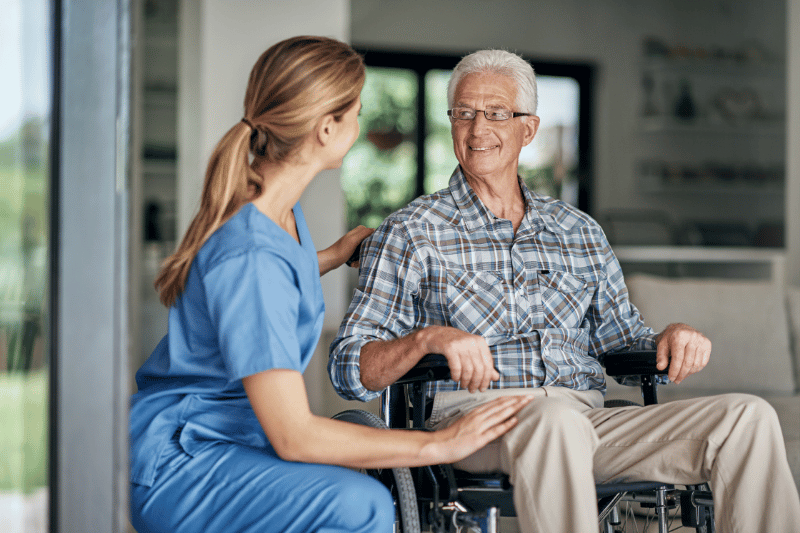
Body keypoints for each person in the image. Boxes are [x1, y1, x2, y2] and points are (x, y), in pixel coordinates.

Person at [329, 48, 800, 532]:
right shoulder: (411, 231)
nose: (476, 129)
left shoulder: (578, 231)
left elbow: (624, 338)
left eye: (496, 114)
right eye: (464, 113)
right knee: (554, 421)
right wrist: (427, 339)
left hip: (585, 418)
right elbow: (348, 367)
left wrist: (669, 337)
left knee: (747, 418)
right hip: (475, 421)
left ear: (527, 129)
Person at [128, 37, 533, 533]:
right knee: (359, 503)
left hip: (226, 440)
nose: (359, 128)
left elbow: (271, 280)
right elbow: (295, 436)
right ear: (325, 129)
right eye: (356, 114)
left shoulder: (276, 213)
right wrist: (438, 445)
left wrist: (333, 256)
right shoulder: (252, 253)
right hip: (183, 462)